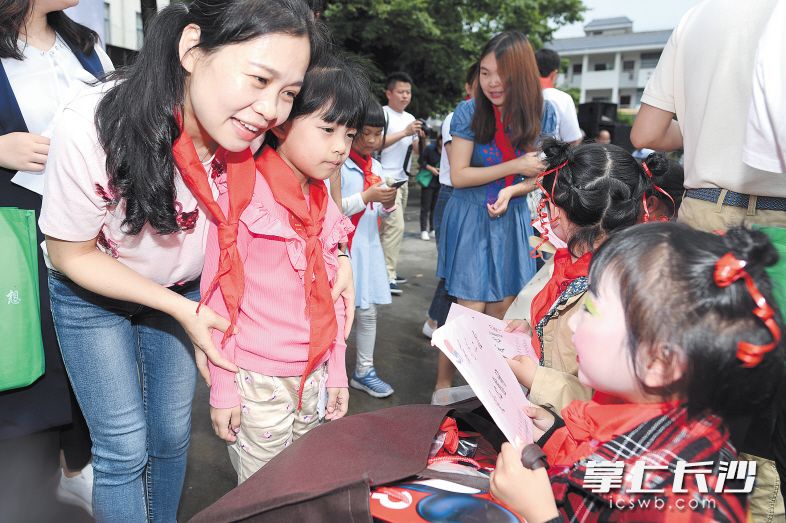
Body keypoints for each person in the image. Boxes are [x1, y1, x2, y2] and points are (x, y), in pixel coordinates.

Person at [37, 2, 353, 520]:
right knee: (123, 447)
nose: (271, 110)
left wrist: (340, 255)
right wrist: (183, 311)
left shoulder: (247, 135)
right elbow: (69, 252)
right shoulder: (94, 126)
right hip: (92, 292)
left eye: (288, 94)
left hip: (186, 290)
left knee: (170, 436)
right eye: (259, 79)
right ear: (191, 49)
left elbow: (309, 194)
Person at [490, 223, 785, 522]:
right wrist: (553, 437)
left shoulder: (686, 499)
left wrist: (540, 514)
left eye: (590, 310)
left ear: (659, 362)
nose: (572, 323)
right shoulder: (664, 426)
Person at [630, 1, 785, 518]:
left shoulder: (696, 17)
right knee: (771, 406)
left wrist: (703, 129)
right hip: (779, 224)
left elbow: (646, 133)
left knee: (699, 390)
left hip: (703, 218)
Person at [205, 54, 361, 483]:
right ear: (281, 122)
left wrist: (337, 372)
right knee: (263, 493)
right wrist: (222, 387)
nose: (341, 147)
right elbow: (217, 299)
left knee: (298, 483)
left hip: (313, 374)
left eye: (349, 134)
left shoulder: (322, 202)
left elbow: (335, 298)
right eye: (327, 129)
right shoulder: (242, 193)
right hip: (258, 379)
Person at [0, 0, 113, 517]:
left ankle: (77, 470)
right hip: (15, 239)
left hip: (91, 234)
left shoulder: (85, 45)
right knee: (28, 364)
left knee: (88, 362)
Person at [434, 31, 556, 390]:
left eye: (501, 73)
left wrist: (514, 188)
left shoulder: (542, 112)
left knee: (505, 310)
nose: (492, 82)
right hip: (471, 215)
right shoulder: (469, 111)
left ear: (521, 73)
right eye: (485, 73)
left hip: (512, 214)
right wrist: (515, 166)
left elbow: (542, 174)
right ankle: (442, 388)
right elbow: (459, 175)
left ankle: (492, 394)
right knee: (469, 310)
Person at [503, 140, 663, 412]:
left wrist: (536, 379)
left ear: (558, 211)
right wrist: (535, 334)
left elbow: (607, 405)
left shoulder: (612, 294)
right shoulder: (581, 266)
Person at [339, 98, 397, 399]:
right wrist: (365, 197)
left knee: (368, 312)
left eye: (378, 134)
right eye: (366, 133)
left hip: (368, 248)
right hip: (343, 251)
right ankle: (331, 376)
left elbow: (381, 213)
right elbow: (332, 208)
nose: (372, 140)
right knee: (338, 315)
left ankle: (364, 370)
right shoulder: (337, 162)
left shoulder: (376, 166)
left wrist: (388, 203)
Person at [422, 62, 478, 339]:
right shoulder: (455, 117)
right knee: (453, 269)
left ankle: (438, 322)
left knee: (461, 270)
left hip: (471, 198)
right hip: (451, 196)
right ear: (468, 87)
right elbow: (460, 164)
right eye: (481, 81)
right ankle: (435, 322)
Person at [379, 71, 423, 296]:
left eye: (408, 92)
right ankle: (386, 276)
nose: (405, 96)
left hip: (402, 179)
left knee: (391, 229)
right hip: (385, 178)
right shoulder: (382, 114)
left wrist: (420, 137)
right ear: (389, 93)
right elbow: (373, 143)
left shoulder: (409, 117)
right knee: (395, 228)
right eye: (401, 92)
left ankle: (388, 271)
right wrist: (405, 132)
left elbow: (416, 150)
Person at [535, 48, 582, 145]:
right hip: (549, 154)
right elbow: (573, 139)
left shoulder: (520, 96)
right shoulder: (563, 99)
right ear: (554, 74)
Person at [418, 133, 441, 240]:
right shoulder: (430, 149)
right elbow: (421, 161)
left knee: (435, 207)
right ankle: (423, 230)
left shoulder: (448, 150)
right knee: (425, 207)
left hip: (440, 182)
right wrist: (431, 168)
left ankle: (432, 229)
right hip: (428, 181)